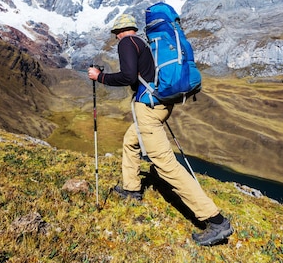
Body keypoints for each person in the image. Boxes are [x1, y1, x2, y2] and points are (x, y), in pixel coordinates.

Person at [88, 13, 234, 246]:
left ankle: (216, 221)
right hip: (159, 105)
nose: (115, 37)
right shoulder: (143, 43)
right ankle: (131, 188)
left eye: (115, 34)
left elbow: (127, 76)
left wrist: (100, 76)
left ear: (118, 31)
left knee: (165, 165)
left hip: (148, 110)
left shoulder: (127, 43)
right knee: (130, 141)